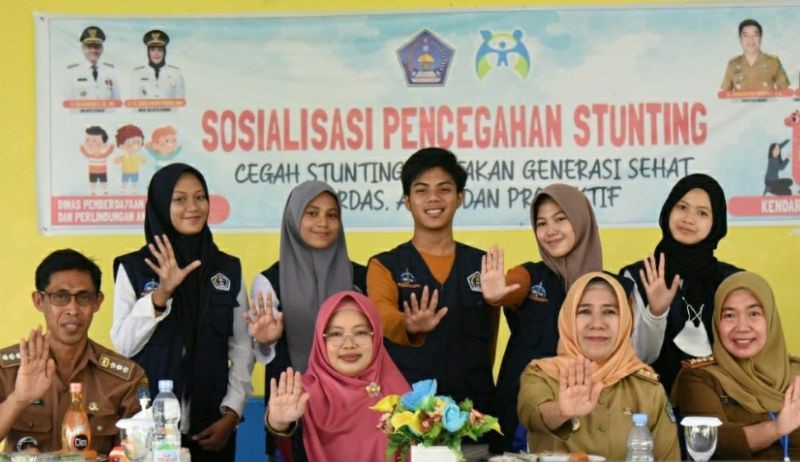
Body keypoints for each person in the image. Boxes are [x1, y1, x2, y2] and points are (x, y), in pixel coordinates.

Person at [111, 163, 253, 462]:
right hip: (149, 427)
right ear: (161, 205)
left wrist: (231, 414)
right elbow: (124, 345)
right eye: (179, 199)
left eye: (200, 197)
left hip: (213, 428)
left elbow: (242, 348)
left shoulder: (227, 270)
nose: (193, 207)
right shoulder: (134, 269)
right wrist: (160, 295)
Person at [367, 147, 499, 445]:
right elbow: (380, 314)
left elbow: (489, 338)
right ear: (407, 201)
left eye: (444, 189)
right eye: (422, 190)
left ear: (460, 197)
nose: (433, 198)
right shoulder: (385, 265)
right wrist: (408, 325)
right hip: (409, 420)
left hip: (474, 416)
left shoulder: (483, 266)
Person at [245, 180, 366, 461]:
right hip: (293, 412)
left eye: (332, 215)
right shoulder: (269, 281)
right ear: (293, 217)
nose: (323, 223)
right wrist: (266, 341)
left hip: (352, 413)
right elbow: (263, 353)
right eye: (311, 213)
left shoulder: (362, 279)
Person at [479, 183, 602, 452]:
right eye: (541, 223)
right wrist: (497, 295)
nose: (550, 230)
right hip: (522, 418)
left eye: (560, 219)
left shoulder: (607, 288)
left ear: (580, 220)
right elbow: (513, 286)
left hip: (586, 416)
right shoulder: (531, 275)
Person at [518, 272, 680, 460]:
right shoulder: (542, 374)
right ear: (568, 319)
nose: (597, 324)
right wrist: (560, 411)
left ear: (625, 320)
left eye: (609, 311)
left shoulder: (647, 388)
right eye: (584, 311)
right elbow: (531, 415)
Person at [0, 249, 146, 455]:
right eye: (60, 297)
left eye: (83, 298)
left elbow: (137, 454)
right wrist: (18, 398)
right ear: (39, 301)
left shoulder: (125, 379)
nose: (73, 309)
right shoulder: (7, 369)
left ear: (97, 302)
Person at [619, 173, 741, 394]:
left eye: (702, 213)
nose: (688, 218)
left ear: (716, 223)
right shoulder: (639, 276)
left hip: (720, 401)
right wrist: (655, 313)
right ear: (668, 210)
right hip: (654, 402)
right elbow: (636, 357)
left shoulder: (732, 281)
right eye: (682, 207)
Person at [264, 291, 410, 462]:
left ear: (376, 337)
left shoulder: (400, 392)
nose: (348, 344)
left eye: (361, 332)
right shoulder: (301, 393)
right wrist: (279, 424)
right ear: (321, 341)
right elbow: (289, 450)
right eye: (336, 334)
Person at [674, 272, 800, 459]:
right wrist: (775, 429)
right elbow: (711, 442)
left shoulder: (796, 374)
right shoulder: (700, 377)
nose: (742, 327)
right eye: (729, 315)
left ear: (771, 319)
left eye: (754, 314)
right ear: (716, 322)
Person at [721, 19, 790, 92]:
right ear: (740, 39)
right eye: (746, 36)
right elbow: (724, 94)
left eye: (755, 35)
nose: (751, 40)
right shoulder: (732, 65)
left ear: (761, 38)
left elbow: (785, 92)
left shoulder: (774, 62)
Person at [64, 26, 120, 100]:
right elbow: (66, 102)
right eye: (89, 47)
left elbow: (117, 101)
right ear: (83, 48)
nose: (93, 50)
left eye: (97, 46)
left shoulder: (110, 71)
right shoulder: (72, 72)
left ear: (102, 49)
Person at [131, 30, 185, 99]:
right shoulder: (137, 73)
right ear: (148, 52)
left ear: (164, 52)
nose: (156, 53)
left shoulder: (175, 73)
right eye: (152, 50)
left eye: (160, 50)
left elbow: (180, 100)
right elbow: (134, 101)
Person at [79, 125, 114, 195]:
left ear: (105, 144)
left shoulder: (103, 155)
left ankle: (105, 191)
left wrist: (111, 147)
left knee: (103, 182)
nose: (90, 144)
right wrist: (82, 148)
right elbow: (85, 153)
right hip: (92, 172)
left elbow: (108, 152)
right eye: (87, 140)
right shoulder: (90, 156)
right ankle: (93, 191)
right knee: (93, 182)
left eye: (94, 141)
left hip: (102, 172)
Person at [113, 124, 147, 194]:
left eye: (138, 143)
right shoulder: (124, 157)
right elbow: (116, 161)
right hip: (125, 172)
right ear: (121, 145)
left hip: (135, 172)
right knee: (124, 182)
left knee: (134, 182)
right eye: (129, 144)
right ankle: (123, 190)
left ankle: (134, 191)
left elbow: (143, 161)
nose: (134, 146)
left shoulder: (136, 157)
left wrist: (144, 161)